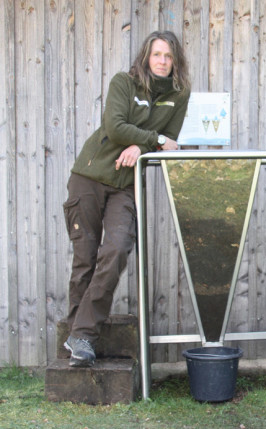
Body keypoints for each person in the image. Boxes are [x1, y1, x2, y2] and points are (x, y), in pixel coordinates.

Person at [62, 31, 191, 367]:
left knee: (117, 248)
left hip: (125, 185)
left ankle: (80, 334)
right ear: (146, 57)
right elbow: (116, 127)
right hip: (89, 177)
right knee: (85, 259)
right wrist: (151, 139)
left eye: (168, 56)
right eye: (157, 54)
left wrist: (144, 146)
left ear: (175, 60)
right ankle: (79, 341)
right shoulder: (125, 83)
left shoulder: (179, 95)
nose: (162, 61)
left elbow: (171, 142)